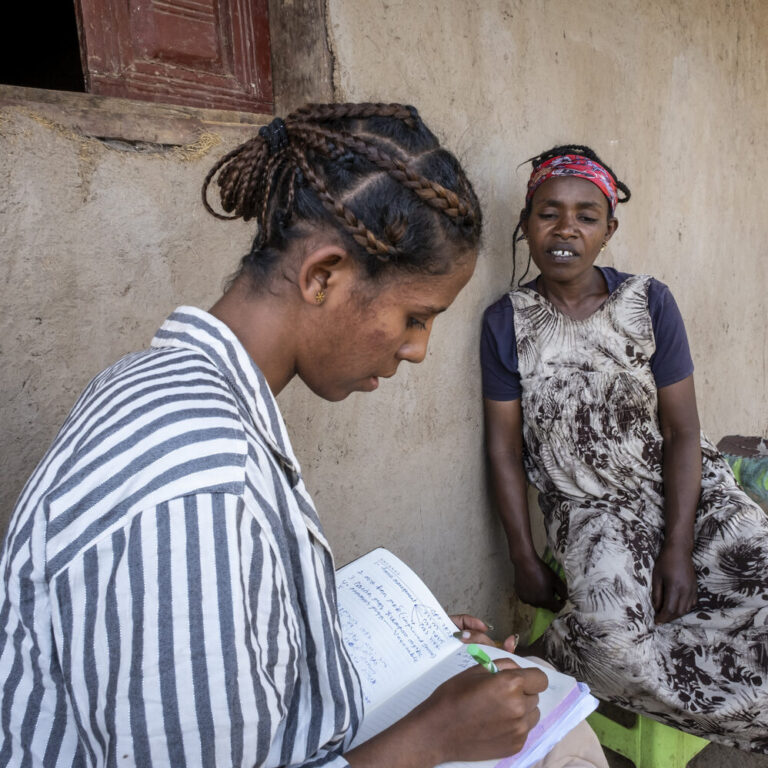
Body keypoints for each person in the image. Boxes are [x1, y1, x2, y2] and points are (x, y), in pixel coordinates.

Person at [0, 106, 607, 768]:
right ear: (323, 277)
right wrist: (433, 735)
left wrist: (384, 650)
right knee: (566, 749)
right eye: (414, 317)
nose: (417, 350)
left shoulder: (167, 385)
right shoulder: (200, 486)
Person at [481, 144, 768, 753]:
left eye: (587, 215)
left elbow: (684, 433)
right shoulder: (506, 321)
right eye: (548, 212)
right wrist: (523, 556)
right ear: (525, 224)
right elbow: (504, 451)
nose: (566, 229)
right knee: (612, 644)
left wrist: (678, 546)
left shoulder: (649, 302)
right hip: (589, 511)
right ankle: (553, 657)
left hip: (689, 494)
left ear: (608, 230)